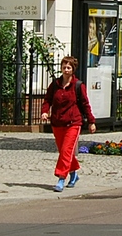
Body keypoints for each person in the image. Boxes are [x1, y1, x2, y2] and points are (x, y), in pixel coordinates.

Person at [41, 55, 96, 191]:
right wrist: (45, 111)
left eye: (69, 67)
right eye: (64, 67)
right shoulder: (55, 84)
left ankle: (61, 178)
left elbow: (85, 104)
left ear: (73, 69)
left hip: (73, 123)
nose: (66, 70)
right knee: (65, 152)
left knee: (66, 151)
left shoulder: (78, 85)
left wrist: (91, 121)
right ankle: (74, 173)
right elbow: (47, 99)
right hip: (57, 122)